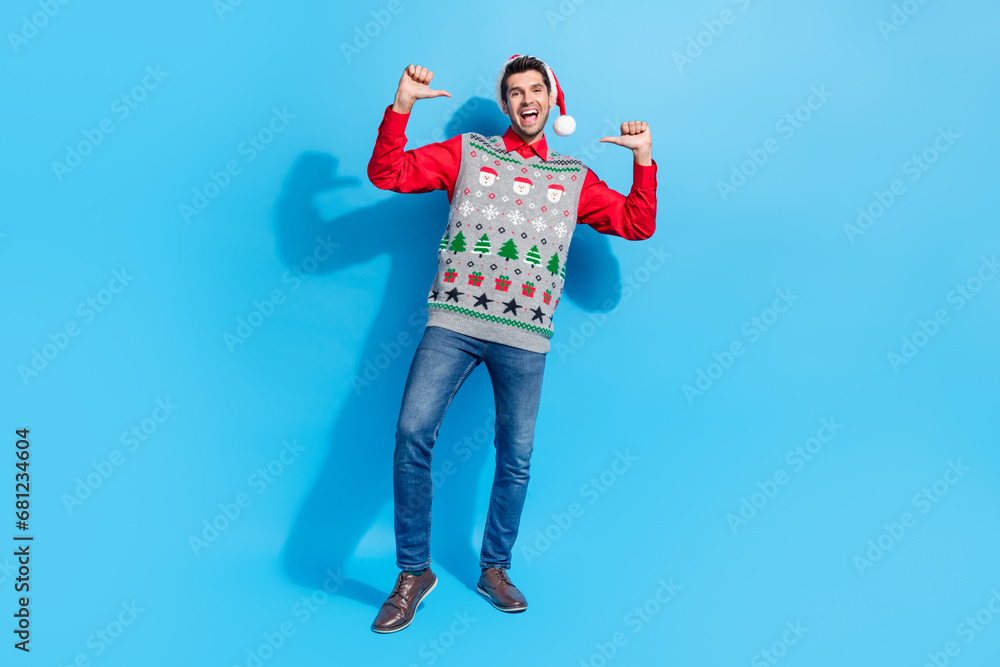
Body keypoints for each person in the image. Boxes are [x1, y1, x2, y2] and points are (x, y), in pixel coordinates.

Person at [366, 54, 658, 633]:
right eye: (516, 92)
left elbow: (636, 223)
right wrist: (400, 106)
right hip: (453, 323)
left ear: (553, 103)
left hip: (525, 340)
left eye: (537, 91)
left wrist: (644, 160)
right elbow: (388, 173)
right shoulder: (470, 153)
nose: (527, 100)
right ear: (506, 105)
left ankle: (494, 567)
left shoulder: (574, 178)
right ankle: (412, 573)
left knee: (516, 458)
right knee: (410, 433)